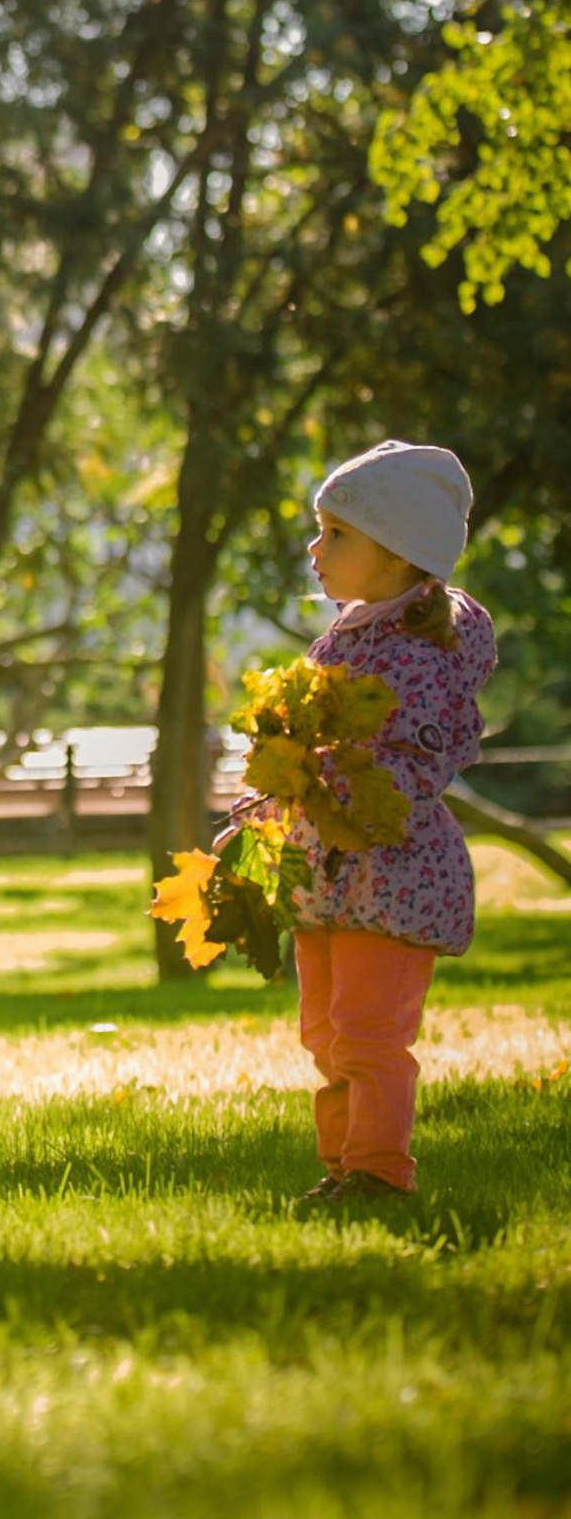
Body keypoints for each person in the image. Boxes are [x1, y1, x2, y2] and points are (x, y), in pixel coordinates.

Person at [251, 440, 497, 1212]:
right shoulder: (343, 640)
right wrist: (269, 802)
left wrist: (334, 778)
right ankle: (343, 1167)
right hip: (331, 873)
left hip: (390, 875)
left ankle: (381, 1171)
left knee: (366, 1032)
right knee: (325, 1034)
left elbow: (415, 763)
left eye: (336, 534)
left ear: (399, 556)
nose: (315, 548)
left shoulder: (422, 655)